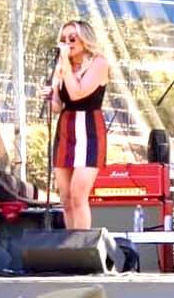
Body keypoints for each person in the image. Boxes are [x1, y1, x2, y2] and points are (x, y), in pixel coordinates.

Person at [42, 20, 109, 229]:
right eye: (63, 39)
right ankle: (71, 244)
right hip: (66, 128)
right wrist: (50, 95)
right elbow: (58, 106)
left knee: (79, 195)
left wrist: (65, 66)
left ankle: (83, 246)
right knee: (66, 198)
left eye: (72, 38)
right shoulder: (62, 66)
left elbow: (77, 92)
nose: (67, 43)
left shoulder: (98, 63)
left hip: (89, 129)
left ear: (85, 40)